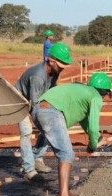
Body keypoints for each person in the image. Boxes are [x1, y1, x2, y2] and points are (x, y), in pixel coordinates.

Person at [32, 72, 111, 196]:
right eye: (105, 96)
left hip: (38, 110)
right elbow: (93, 126)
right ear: (104, 92)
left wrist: (97, 138)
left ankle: (64, 193)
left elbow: (85, 121)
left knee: (64, 153)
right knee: (67, 154)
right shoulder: (95, 96)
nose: (103, 99)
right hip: (51, 112)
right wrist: (92, 146)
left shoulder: (81, 91)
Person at [15, 43, 72, 182]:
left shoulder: (54, 72)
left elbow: (51, 92)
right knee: (27, 131)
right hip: (20, 100)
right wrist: (41, 120)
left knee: (49, 125)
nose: (62, 68)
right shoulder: (38, 76)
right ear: (51, 61)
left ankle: (38, 159)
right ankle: (29, 169)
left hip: (36, 100)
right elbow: (34, 105)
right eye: (60, 65)